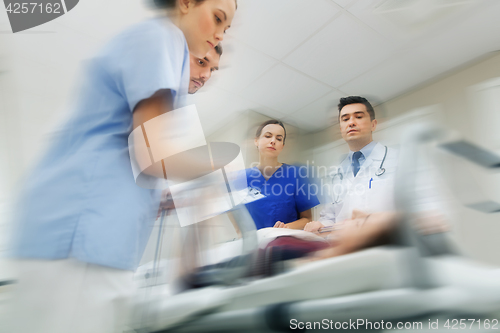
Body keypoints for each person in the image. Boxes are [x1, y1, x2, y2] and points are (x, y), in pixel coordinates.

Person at [8, 1, 237, 332]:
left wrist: (161, 199)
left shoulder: (161, 59)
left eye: (226, 29)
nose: (218, 36)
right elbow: (155, 154)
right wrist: (219, 165)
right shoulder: (164, 38)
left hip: (79, 235)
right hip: (80, 238)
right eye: (217, 18)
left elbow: (140, 160)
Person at [305, 96, 399, 233]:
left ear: (373, 124)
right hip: (346, 247)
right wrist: (319, 224)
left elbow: (422, 208)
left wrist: (378, 221)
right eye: (345, 119)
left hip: (387, 243)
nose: (351, 123)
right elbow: (330, 217)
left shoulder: (398, 158)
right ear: (341, 128)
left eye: (358, 117)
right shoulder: (335, 173)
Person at [245, 119, 320, 230]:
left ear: (282, 146)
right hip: (256, 245)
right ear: (256, 141)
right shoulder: (244, 178)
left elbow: (307, 219)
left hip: (287, 242)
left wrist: (284, 228)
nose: (273, 141)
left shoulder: (297, 174)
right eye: (268, 136)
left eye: (279, 139)